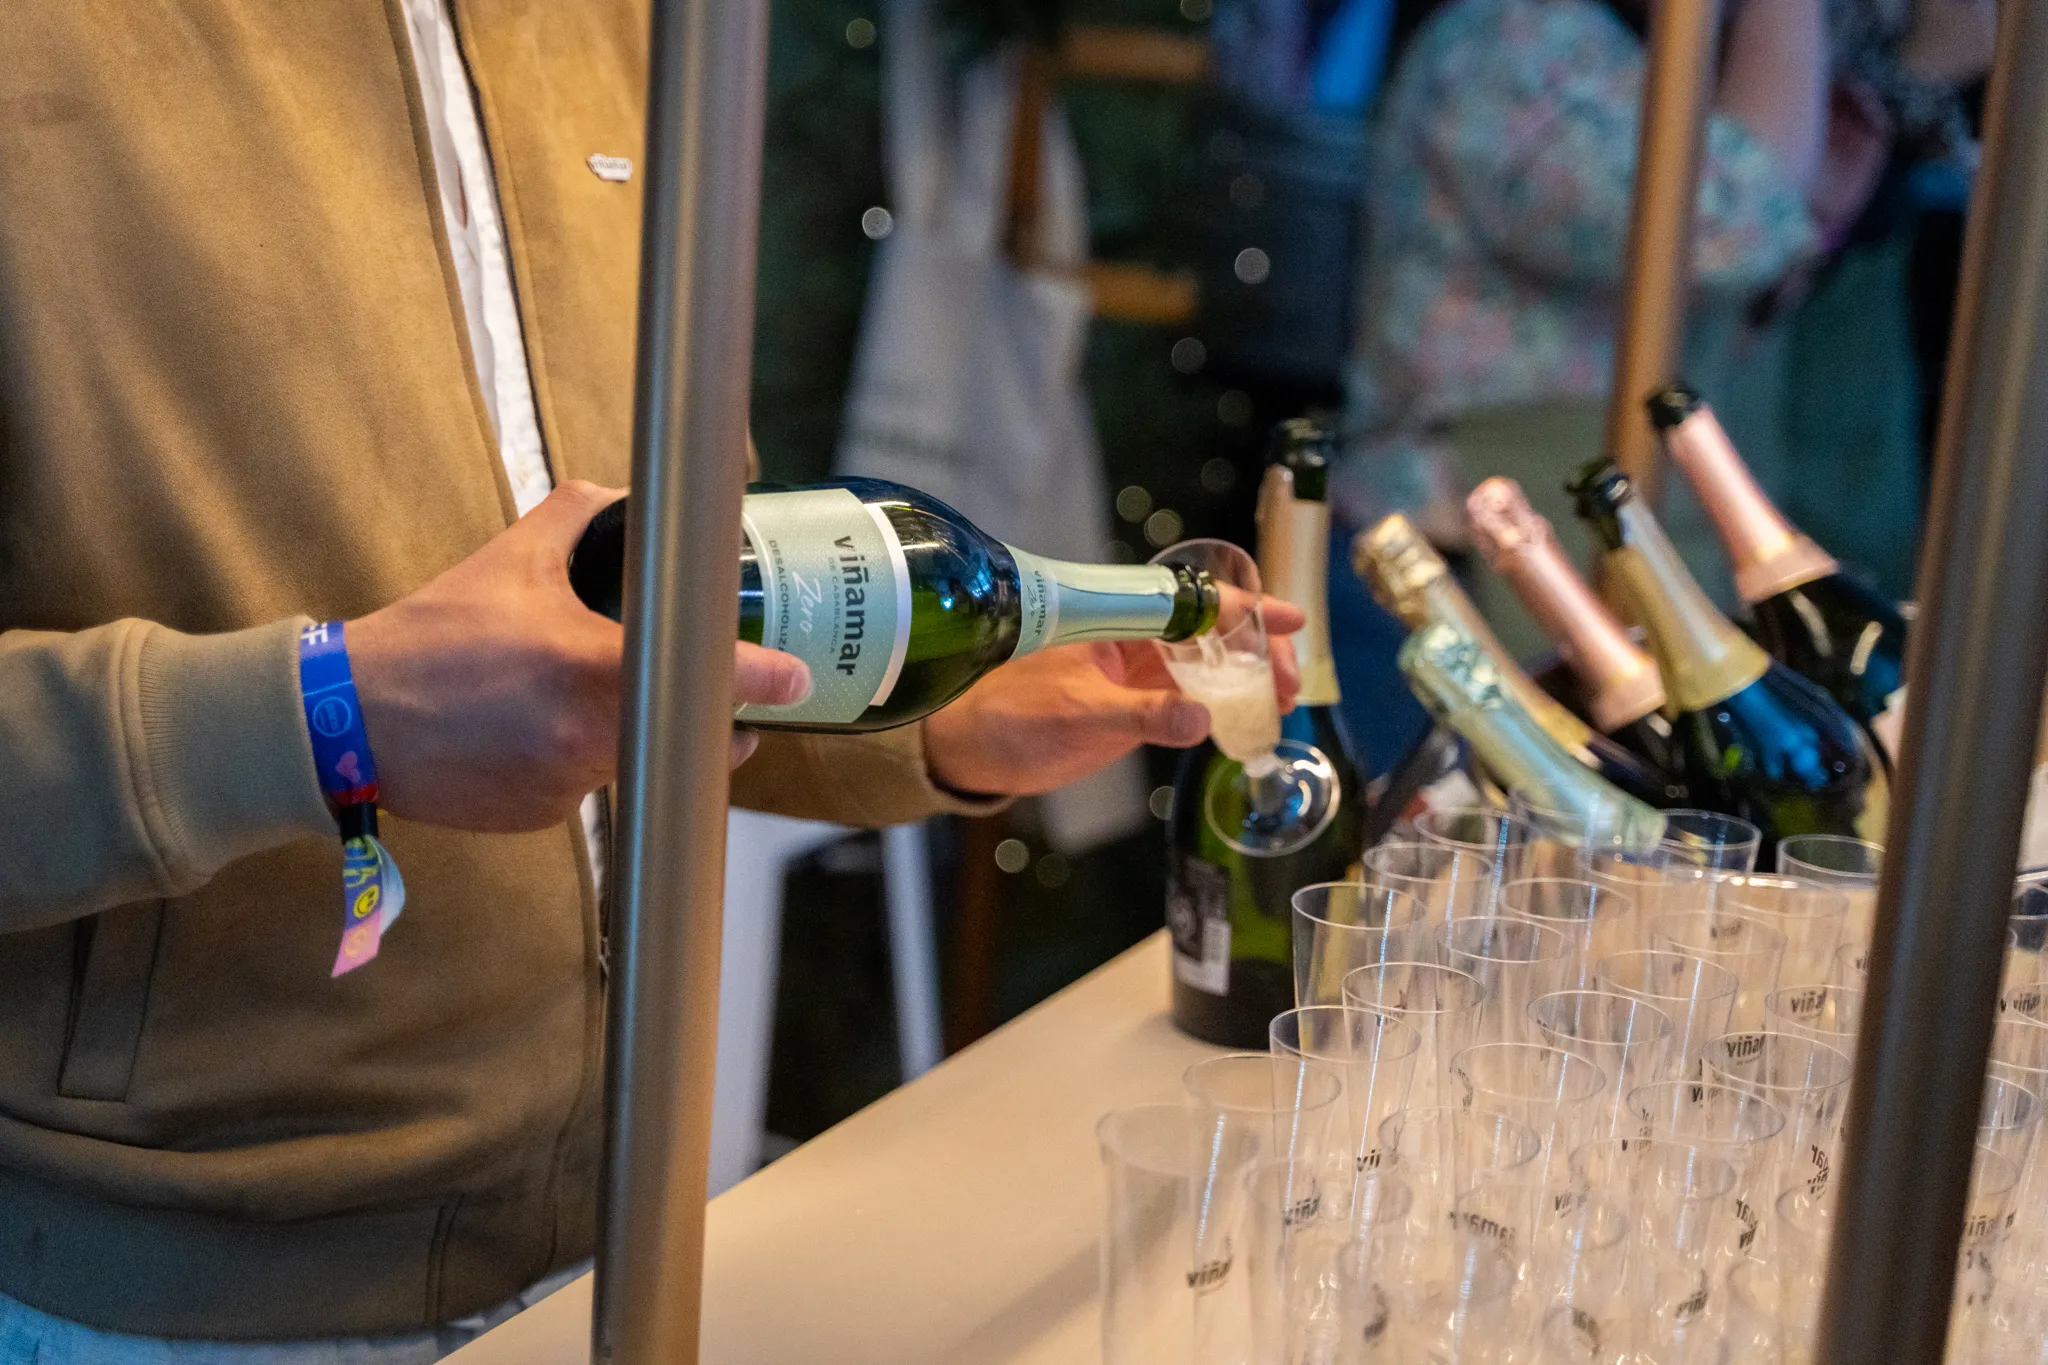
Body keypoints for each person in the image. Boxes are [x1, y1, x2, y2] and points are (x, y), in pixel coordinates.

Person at [0, 4, 1298, 1359]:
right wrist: (337, 714)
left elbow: (648, 610)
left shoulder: (627, 27)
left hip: (625, 1234)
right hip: (181, 1293)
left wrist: (913, 723)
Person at [1338, 0, 1841, 652]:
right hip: (1473, 550)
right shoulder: (1511, 39)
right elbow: (1731, 223)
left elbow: (1743, 262)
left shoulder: (1595, 46)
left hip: (1579, 512)